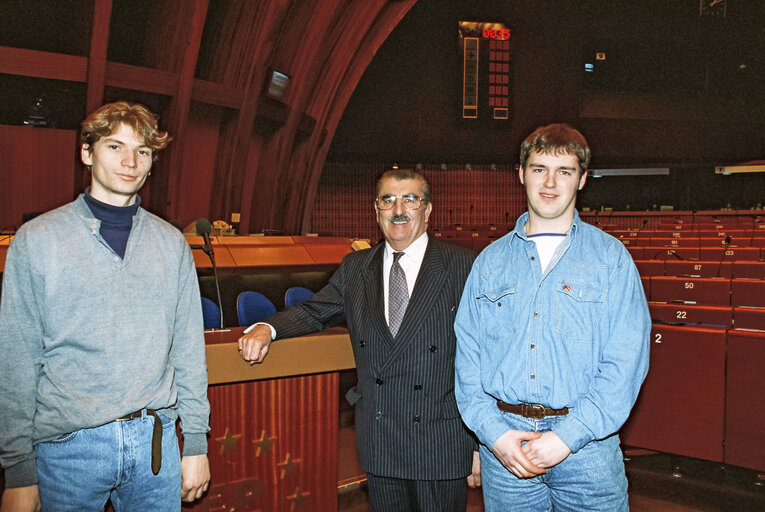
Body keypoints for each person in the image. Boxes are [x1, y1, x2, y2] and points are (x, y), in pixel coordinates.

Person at [0, 101, 210, 512]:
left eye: (143, 152)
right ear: (86, 152)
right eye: (115, 146)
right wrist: (18, 470)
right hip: (67, 450)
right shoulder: (37, 240)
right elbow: (17, 360)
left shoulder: (172, 245)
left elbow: (188, 352)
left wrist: (196, 444)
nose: (130, 161)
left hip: (155, 444)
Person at [239, 169, 480, 511]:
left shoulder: (462, 265)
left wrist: (478, 445)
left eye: (410, 199)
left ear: (427, 211)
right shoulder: (355, 267)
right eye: (388, 200)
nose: (398, 209)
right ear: (376, 210)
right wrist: (268, 328)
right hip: (380, 438)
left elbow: (483, 358)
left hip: (439, 441)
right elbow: (313, 311)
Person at [454, 123, 650, 511]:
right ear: (521, 174)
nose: (550, 182)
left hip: (587, 449)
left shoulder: (611, 259)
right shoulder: (489, 262)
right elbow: (468, 363)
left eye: (565, 171)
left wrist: (566, 437)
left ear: (582, 180)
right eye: (539, 168)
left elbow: (625, 363)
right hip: (506, 446)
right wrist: (494, 435)